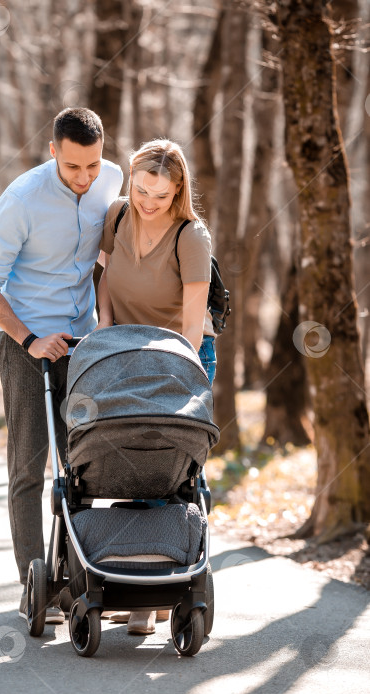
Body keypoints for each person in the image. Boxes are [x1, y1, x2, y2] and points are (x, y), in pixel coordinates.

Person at [0, 107, 123, 624]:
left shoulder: (114, 180)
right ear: (53, 151)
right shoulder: (21, 200)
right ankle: (35, 584)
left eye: (93, 166)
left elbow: (106, 256)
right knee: (29, 469)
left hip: (83, 346)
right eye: (73, 166)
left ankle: (79, 574)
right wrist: (29, 338)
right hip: (26, 345)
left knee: (84, 465)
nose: (85, 178)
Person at [97, 138, 216, 634]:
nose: (148, 202)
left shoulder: (191, 236)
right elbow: (103, 280)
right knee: (123, 460)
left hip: (180, 355)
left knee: (164, 463)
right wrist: (103, 338)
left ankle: (155, 593)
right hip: (122, 350)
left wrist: (176, 370)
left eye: (160, 196)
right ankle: (131, 573)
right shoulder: (118, 215)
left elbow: (191, 324)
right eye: (141, 189)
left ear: (178, 192)